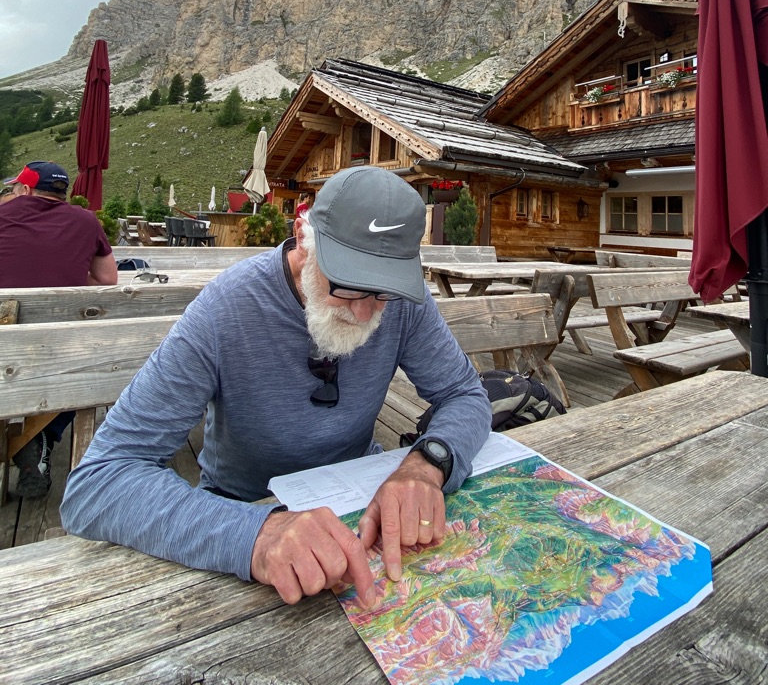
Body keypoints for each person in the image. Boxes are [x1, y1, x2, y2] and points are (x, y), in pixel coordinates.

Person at [62, 166, 491, 606]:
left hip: (364, 498)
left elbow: (464, 394)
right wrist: (257, 535)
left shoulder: (404, 304)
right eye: (348, 286)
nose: (365, 313)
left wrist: (427, 464)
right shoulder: (225, 310)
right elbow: (99, 481)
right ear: (303, 236)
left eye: (383, 293)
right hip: (244, 511)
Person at [0, 161, 118, 496]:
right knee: (85, 364)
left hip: (5, 347)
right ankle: (40, 437)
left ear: (25, 189)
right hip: (58, 352)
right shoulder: (86, 220)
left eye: (13, 188)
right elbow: (108, 279)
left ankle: (29, 438)